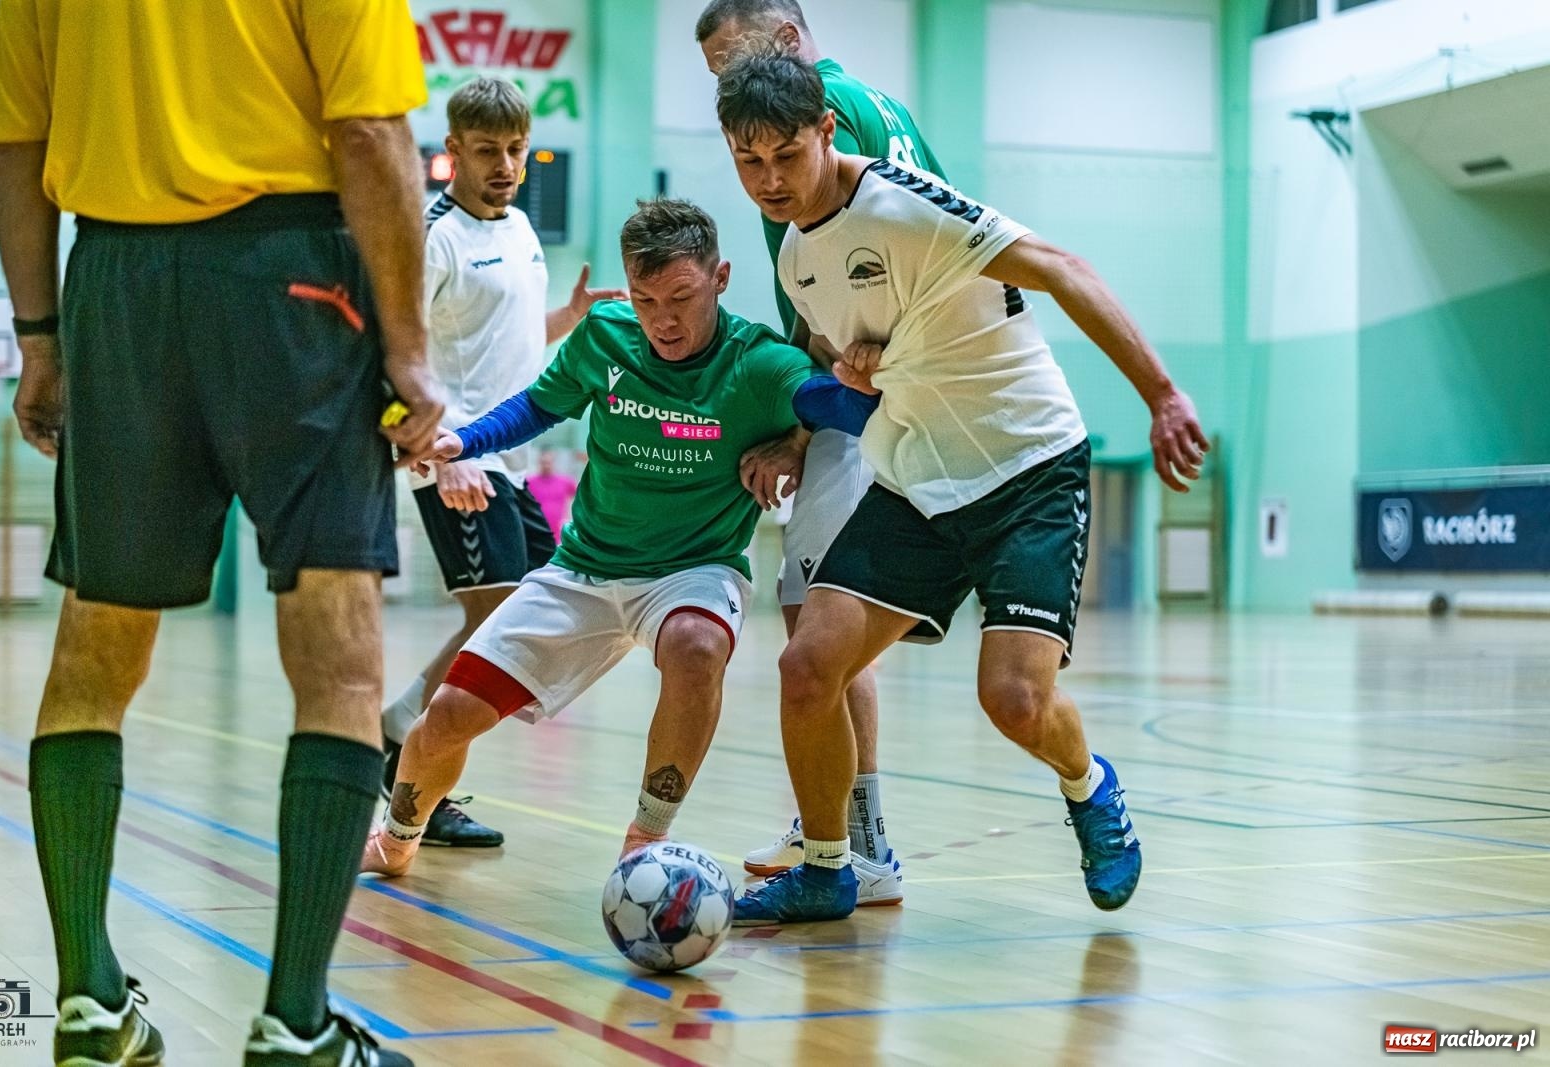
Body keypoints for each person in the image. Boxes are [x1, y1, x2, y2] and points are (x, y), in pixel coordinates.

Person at [0, 0, 440, 1062]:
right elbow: (371, 135)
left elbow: (19, 143)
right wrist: (411, 352)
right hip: (294, 277)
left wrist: (40, 340)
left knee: (93, 649)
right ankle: (297, 1023)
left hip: (115, 283)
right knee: (337, 653)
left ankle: (89, 1000)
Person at [714, 51, 1210, 925]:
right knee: (806, 666)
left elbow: (1064, 267)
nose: (770, 180)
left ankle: (1090, 785)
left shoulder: (902, 203)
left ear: (827, 131)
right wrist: (848, 366)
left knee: (1014, 700)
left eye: (786, 156)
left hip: (1026, 466)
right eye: (748, 163)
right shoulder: (796, 259)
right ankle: (832, 867)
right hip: (915, 478)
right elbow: (854, 351)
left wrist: (1162, 396)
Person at [360, 198, 883, 887]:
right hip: (583, 569)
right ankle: (398, 836)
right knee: (447, 718)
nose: (662, 319)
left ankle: (644, 841)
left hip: (693, 572)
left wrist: (867, 380)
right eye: (644, 298)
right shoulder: (605, 336)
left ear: (719, 278)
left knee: (697, 648)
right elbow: (537, 407)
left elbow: (838, 407)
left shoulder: (760, 363)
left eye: (680, 297)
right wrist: (466, 438)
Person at [697, 0, 945, 898]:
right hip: (884, 388)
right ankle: (831, 825)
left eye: (735, 64)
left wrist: (800, 427)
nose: (727, 91)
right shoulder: (884, 108)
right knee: (816, 627)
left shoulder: (814, 120)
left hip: (877, 399)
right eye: (716, 76)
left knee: (824, 636)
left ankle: (861, 847)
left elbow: (839, 290)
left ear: (791, 46)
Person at [377, 76, 625, 849]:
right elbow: (398, 355)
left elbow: (512, 340)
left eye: (516, 149)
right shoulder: (433, 239)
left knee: (535, 607)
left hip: (510, 461)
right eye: (488, 150)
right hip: (453, 460)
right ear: (452, 153)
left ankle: (402, 729)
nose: (507, 164)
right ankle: (415, 772)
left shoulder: (520, 229)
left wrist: (569, 318)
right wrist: (439, 453)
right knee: (499, 620)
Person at [526, 450, 579, 543]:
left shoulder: (566, 482)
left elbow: (581, 496)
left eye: (549, 463)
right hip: (536, 527)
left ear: (553, 463)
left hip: (558, 530)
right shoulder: (529, 482)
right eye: (544, 463)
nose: (546, 465)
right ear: (539, 463)